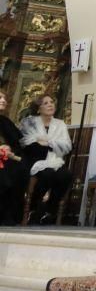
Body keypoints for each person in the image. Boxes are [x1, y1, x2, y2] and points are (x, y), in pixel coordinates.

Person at [20, 94, 73, 225]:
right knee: (47, 173)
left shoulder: (60, 124)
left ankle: (49, 209)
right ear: (38, 108)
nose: (50, 105)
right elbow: (27, 143)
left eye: (51, 102)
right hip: (34, 160)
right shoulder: (29, 122)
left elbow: (67, 146)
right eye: (45, 103)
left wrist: (47, 142)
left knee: (66, 175)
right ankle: (33, 207)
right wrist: (51, 144)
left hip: (55, 160)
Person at [0, 90, 28, 225]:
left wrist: (11, 151)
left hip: (9, 159)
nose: (4, 100)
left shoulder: (6, 121)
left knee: (20, 168)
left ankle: (9, 215)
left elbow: (18, 143)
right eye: (0, 98)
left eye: (4, 98)